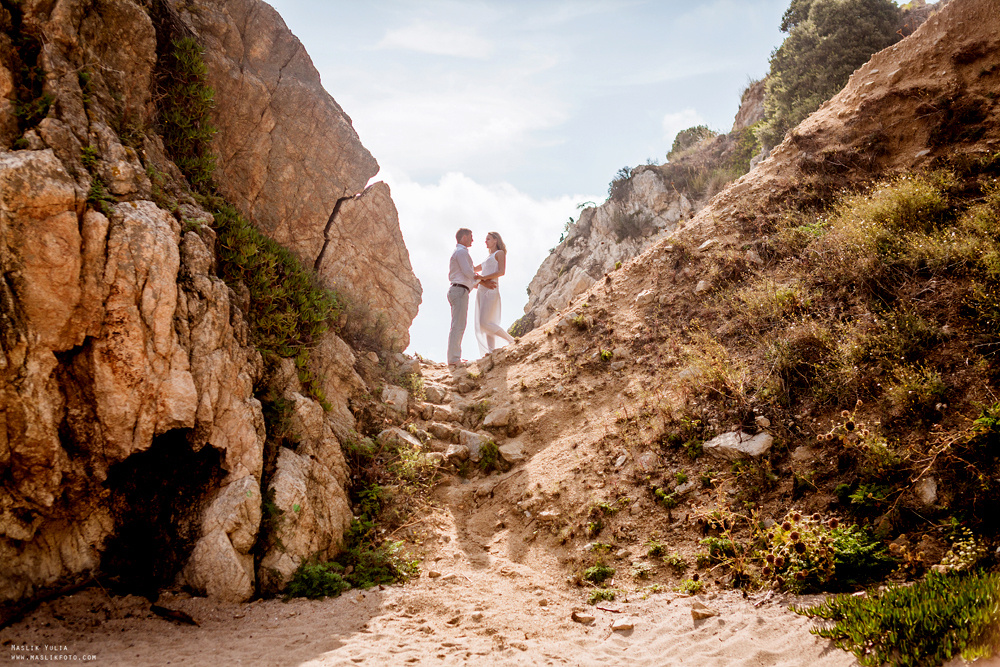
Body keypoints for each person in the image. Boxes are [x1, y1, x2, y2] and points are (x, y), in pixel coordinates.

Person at [474, 231, 516, 356]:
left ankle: (511, 340)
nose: (485, 241)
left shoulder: (499, 253)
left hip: (491, 288)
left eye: (488, 239)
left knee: (484, 323)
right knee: (487, 322)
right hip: (482, 290)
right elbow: (473, 270)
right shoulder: (487, 258)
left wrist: (483, 278)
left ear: (495, 240)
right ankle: (491, 351)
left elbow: (501, 271)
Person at [447, 228, 478, 367]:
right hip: (459, 291)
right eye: (471, 236)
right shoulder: (461, 252)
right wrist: (483, 280)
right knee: (458, 325)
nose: (472, 239)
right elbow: (468, 272)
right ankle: (454, 359)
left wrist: (479, 284)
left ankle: (455, 357)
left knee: (459, 325)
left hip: (460, 290)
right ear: (464, 237)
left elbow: (467, 276)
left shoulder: (460, 252)